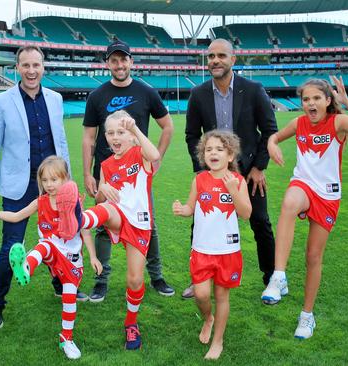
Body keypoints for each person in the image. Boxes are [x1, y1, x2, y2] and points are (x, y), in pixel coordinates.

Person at [261, 76, 348, 339]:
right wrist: (271, 145)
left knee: (313, 257)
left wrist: (347, 102)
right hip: (303, 185)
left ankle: (307, 316)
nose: (311, 103)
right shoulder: (299, 122)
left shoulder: (338, 122)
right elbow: (275, 137)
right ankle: (278, 277)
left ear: (328, 101)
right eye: (306, 99)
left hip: (327, 195)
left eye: (317, 98)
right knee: (290, 201)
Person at [0, 45, 79, 330]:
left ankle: (62, 284)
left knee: (62, 238)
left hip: (55, 185)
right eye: (25, 65)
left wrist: (69, 182)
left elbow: (60, 144)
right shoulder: (1, 102)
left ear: (43, 66)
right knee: (11, 247)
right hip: (19, 186)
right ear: (17, 67)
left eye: (36, 64)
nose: (31, 70)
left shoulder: (55, 99)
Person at [0, 156, 102, 359]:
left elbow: (85, 231)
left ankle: (67, 338)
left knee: (69, 298)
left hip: (71, 258)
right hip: (50, 250)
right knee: (44, 245)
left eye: (54, 180)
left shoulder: (73, 202)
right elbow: (17, 215)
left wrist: (93, 257)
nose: (49, 185)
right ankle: (25, 267)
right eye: (45, 180)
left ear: (66, 179)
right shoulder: (41, 201)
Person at [184, 38, 278, 298]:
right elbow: (192, 135)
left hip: (248, 173)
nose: (215, 60)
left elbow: (269, 130)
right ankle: (198, 279)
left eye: (221, 56)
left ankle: (271, 277)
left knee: (260, 222)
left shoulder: (253, 89)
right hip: (212, 174)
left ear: (233, 60)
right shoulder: (198, 94)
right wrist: (202, 168)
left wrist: (259, 167)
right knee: (200, 225)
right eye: (211, 56)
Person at [82, 40, 175, 302]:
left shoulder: (146, 91)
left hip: (136, 171)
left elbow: (167, 127)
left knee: (149, 224)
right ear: (107, 63)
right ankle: (101, 280)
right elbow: (89, 138)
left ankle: (156, 276)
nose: (119, 64)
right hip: (107, 172)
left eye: (124, 59)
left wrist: (157, 159)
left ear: (131, 62)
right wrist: (89, 174)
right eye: (114, 60)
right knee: (102, 225)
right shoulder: (97, 96)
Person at [78, 110, 160, 350]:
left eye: (121, 132)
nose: (115, 137)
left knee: (134, 280)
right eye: (111, 133)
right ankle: (77, 219)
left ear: (132, 136)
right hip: (116, 215)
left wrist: (135, 129)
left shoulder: (139, 154)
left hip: (139, 223)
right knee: (105, 208)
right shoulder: (105, 165)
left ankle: (131, 323)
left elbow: (155, 155)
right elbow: (100, 199)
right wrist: (103, 190)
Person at [173, 130, 252, 359]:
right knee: (201, 294)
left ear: (230, 155)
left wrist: (233, 192)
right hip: (202, 250)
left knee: (222, 297)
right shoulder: (199, 179)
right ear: (203, 154)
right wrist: (182, 210)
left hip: (227, 250)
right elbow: (190, 208)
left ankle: (217, 342)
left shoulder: (237, 181)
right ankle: (208, 317)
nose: (213, 153)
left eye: (219, 149)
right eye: (209, 149)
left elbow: (246, 213)